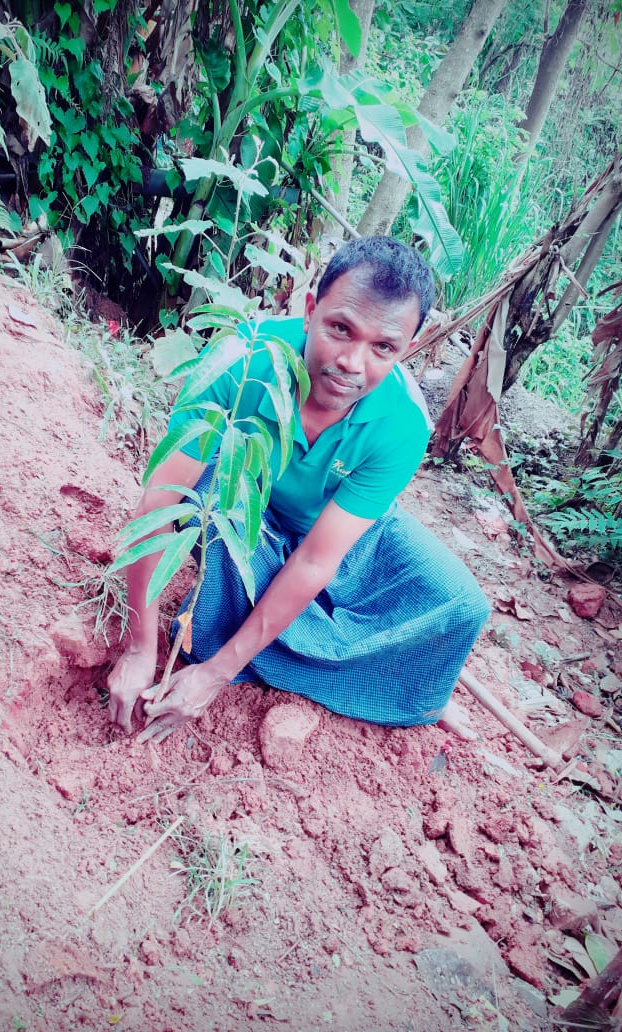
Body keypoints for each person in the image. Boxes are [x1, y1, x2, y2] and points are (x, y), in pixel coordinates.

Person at [107, 237, 490, 742]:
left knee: (461, 602)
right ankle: (326, 656)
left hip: (338, 530)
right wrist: (140, 648)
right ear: (310, 310)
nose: (353, 362)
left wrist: (214, 675)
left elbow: (315, 559)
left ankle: (402, 691)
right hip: (245, 512)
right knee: (211, 489)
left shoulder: (405, 423)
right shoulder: (240, 361)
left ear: (407, 349)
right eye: (340, 328)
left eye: (383, 347)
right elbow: (159, 502)